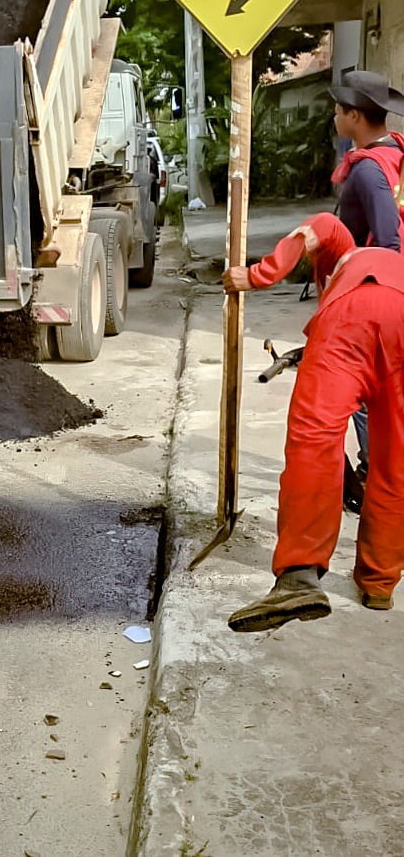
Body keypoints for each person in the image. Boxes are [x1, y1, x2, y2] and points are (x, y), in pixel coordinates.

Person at [222, 212, 404, 632]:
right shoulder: (392, 264)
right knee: (394, 461)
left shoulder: (346, 249)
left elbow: (316, 226)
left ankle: (299, 577)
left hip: (346, 324)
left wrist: (257, 275)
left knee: (315, 441)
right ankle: (379, 582)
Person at [329, 70, 404, 487]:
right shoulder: (397, 153)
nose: (335, 117)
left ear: (355, 115)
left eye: (338, 110)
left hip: (377, 292)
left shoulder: (368, 170)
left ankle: (379, 475)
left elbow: (389, 237)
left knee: (361, 389)